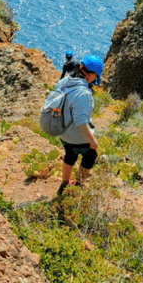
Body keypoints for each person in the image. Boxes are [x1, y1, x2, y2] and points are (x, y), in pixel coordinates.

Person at [55, 54, 103, 196]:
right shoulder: (84, 93)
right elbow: (81, 122)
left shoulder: (65, 80)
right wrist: (92, 140)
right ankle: (79, 186)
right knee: (90, 155)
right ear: (91, 74)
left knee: (70, 154)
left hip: (62, 131)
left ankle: (64, 185)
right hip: (75, 134)